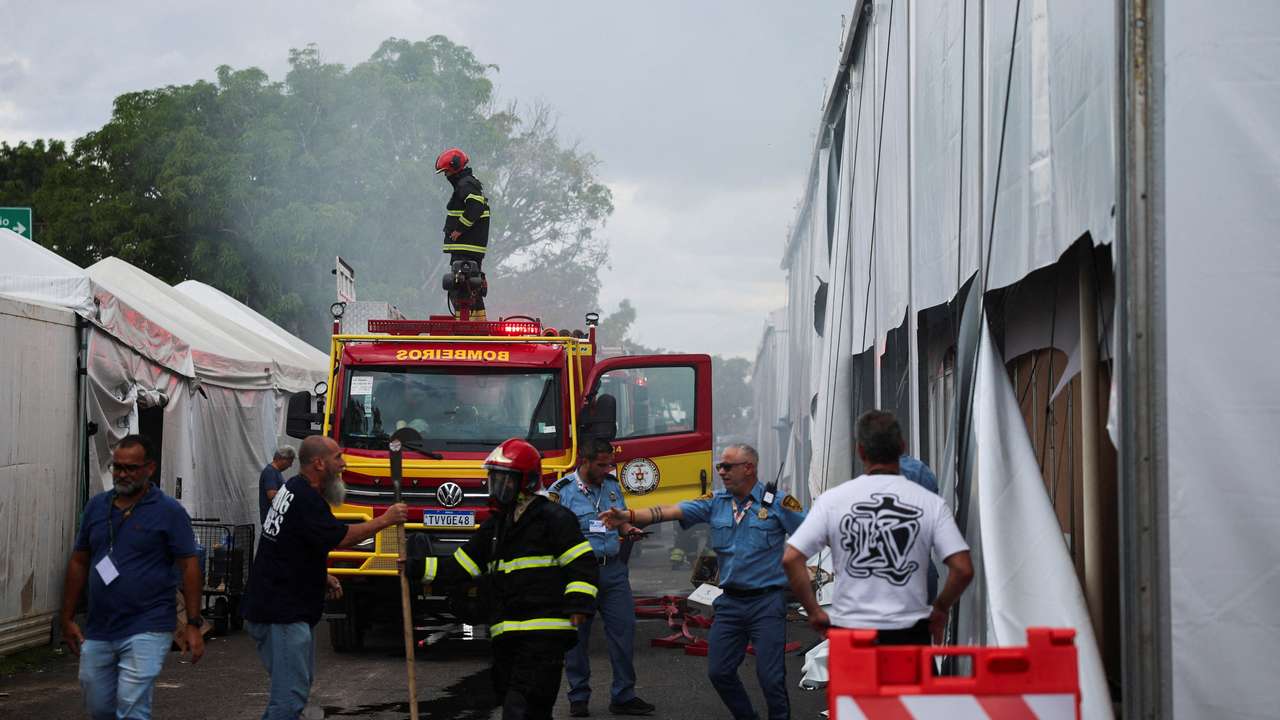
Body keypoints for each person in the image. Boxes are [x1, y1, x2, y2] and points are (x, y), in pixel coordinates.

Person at [599, 443, 806, 720]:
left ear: (749, 468)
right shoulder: (715, 503)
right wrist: (630, 516)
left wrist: (801, 569)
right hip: (730, 603)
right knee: (719, 672)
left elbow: (811, 532)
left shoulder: (779, 503)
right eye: (720, 466)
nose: (721, 471)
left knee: (771, 678)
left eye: (727, 466)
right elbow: (671, 510)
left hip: (766, 603)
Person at [411, 438, 599, 720]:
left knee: (519, 711)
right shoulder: (497, 526)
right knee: (524, 709)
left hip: (543, 635)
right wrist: (413, 569)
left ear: (526, 481)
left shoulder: (554, 518)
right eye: (494, 479)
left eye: (504, 480)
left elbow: (582, 564)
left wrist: (579, 605)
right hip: (507, 637)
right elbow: (460, 566)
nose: (497, 487)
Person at [240, 435, 408, 720]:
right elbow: (341, 537)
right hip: (281, 614)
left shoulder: (293, 489)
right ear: (319, 463)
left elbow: (286, 546)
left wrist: (322, 575)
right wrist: (385, 520)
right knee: (289, 699)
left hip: (276, 609)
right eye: (338, 457)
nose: (343, 463)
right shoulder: (305, 498)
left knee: (296, 692)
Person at [782, 410, 974, 646]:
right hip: (909, 632)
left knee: (854, 685)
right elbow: (963, 569)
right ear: (902, 447)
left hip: (852, 634)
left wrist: (814, 611)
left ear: (860, 450)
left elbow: (792, 558)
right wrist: (940, 608)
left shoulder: (832, 501)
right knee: (911, 685)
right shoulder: (930, 503)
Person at [60, 434, 205, 720]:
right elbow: (79, 561)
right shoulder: (96, 507)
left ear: (149, 468)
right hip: (100, 626)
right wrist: (66, 618)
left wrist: (192, 623)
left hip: (148, 625)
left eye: (130, 468)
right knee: (98, 705)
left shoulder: (169, 512)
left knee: (131, 706)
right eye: (117, 467)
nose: (122, 474)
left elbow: (189, 567)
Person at [548, 438, 654, 717]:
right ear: (585, 460)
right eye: (602, 464)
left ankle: (624, 695)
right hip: (578, 575)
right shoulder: (561, 493)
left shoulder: (611, 486)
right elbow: (550, 535)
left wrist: (629, 530)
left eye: (610, 463)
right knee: (577, 637)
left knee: (624, 632)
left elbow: (620, 522)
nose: (608, 469)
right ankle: (578, 696)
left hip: (614, 571)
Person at [435, 147, 491, 320]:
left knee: (459, 287)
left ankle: (464, 325)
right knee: (469, 287)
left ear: (455, 168)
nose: (446, 176)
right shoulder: (468, 183)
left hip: (466, 247)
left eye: (447, 171)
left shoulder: (465, 184)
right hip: (468, 248)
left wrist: (459, 229)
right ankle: (475, 323)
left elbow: (475, 207)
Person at [258, 446, 296, 526]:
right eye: (290, 462)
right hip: (271, 520)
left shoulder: (275, 472)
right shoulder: (270, 472)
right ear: (281, 459)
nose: (290, 465)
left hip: (275, 520)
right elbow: (271, 495)